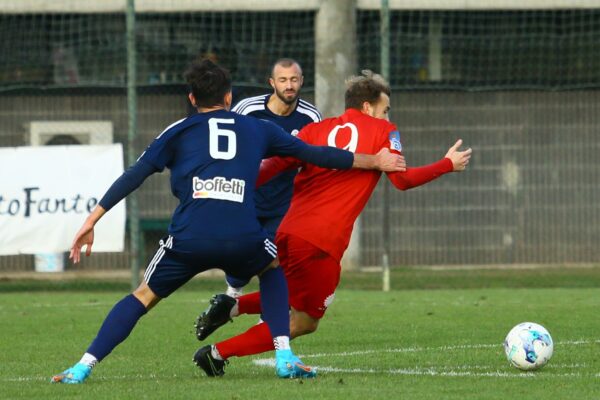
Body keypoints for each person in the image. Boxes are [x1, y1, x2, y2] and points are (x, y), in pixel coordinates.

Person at [50, 61, 406, 384]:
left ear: (192, 98)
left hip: (190, 235)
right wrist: (372, 160)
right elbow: (316, 154)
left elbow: (135, 174)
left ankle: (83, 366)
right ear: (229, 96)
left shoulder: (178, 129)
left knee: (142, 296)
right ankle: (284, 355)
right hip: (242, 234)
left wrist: (92, 219)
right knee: (271, 268)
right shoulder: (255, 128)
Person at [193, 70, 472, 376]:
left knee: (290, 296)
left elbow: (274, 165)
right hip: (320, 242)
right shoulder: (384, 130)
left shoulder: (316, 129)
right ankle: (217, 354)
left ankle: (230, 306)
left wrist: (230, 188)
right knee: (304, 320)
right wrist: (447, 164)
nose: (387, 115)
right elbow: (402, 180)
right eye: (385, 108)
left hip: (288, 231)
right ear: (368, 106)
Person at [223, 58, 322, 298]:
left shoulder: (311, 117)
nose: (289, 85)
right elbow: (228, 147)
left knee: (273, 259)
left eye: (294, 80)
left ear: (301, 82)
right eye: (283, 80)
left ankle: (268, 317)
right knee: (242, 256)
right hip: (247, 198)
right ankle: (233, 291)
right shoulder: (247, 109)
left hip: (285, 202)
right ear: (272, 83)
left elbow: (315, 160)